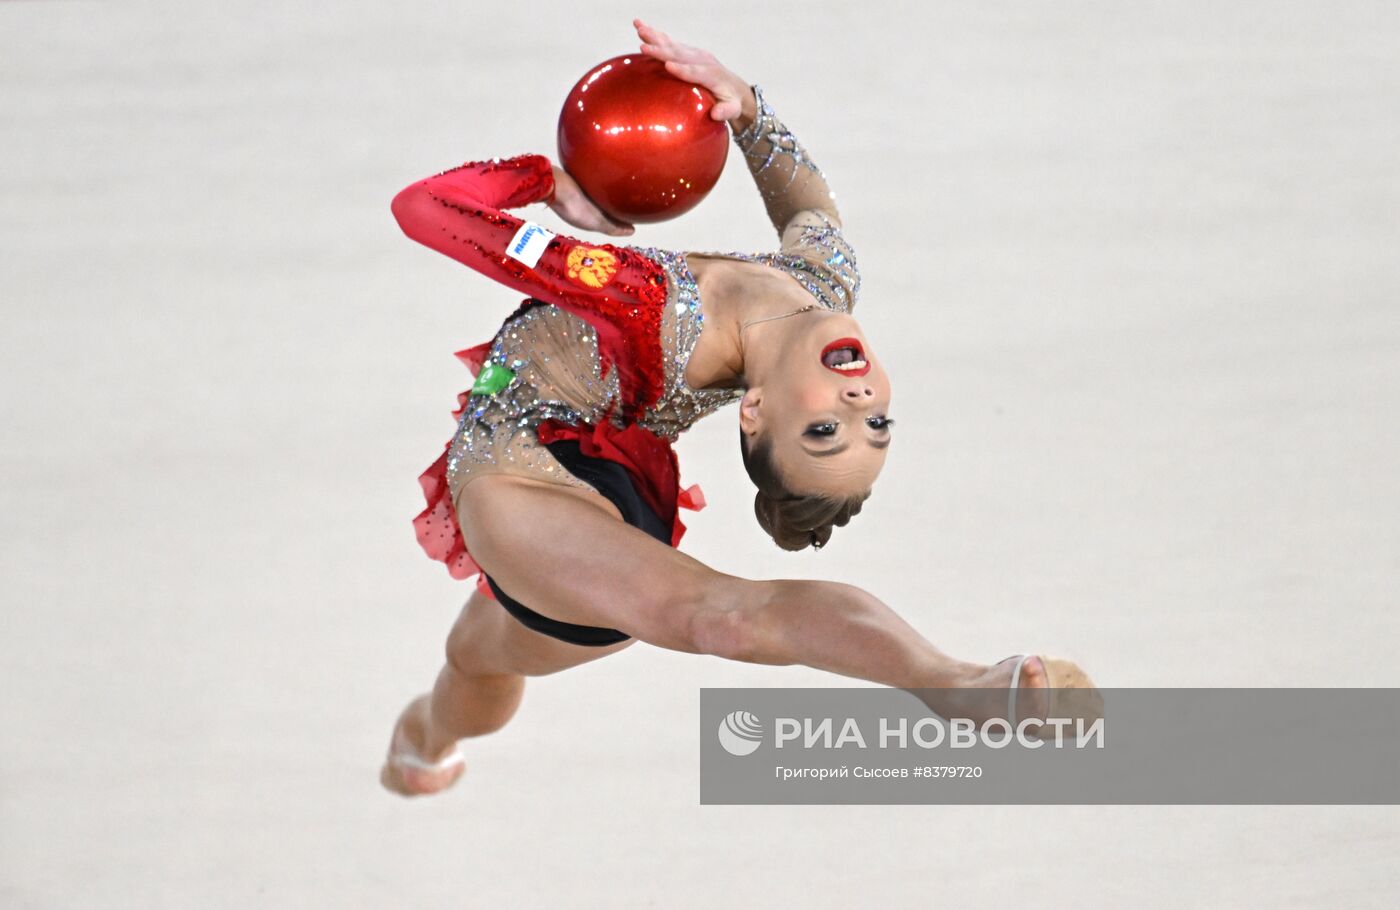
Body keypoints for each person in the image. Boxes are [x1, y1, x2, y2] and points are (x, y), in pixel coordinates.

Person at [382, 19, 1098, 796]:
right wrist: (748, 111)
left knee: (705, 618)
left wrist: (546, 184)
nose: (858, 400)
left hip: (527, 487)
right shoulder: (823, 282)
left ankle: (958, 684)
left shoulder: (637, 300)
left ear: (752, 411)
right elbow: (808, 209)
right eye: (875, 425)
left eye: (824, 430)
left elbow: (425, 208)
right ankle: (428, 742)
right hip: (596, 473)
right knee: (477, 653)